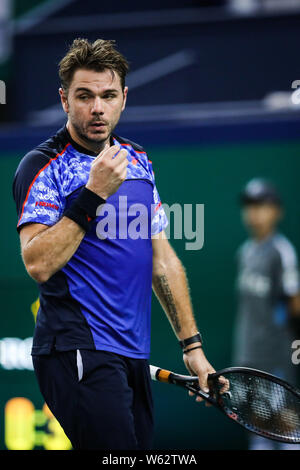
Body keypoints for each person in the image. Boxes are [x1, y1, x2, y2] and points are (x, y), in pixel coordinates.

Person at [12, 38, 215, 450]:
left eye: (107, 96)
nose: (97, 108)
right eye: (84, 96)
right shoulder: (40, 165)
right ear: (64, 100)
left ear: (123, 98)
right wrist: (93, 194)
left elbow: (162, 260)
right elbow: (38, 263)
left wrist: (192, 348)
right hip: (75, 348)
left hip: (132, 352)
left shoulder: (138, 159)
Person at [233, 178, 300, 450]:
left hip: (277, 360)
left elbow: (295, 305)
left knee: (287, 428)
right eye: (250, 206)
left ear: (276, 211)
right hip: (249, 358)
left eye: (262, 206)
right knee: (258, 430)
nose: (254, 213)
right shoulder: (245, 252)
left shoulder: (281, 251)